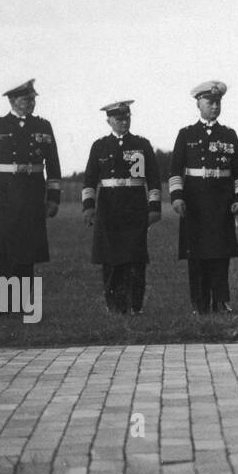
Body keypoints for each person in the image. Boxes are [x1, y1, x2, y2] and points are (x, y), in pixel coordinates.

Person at [0, 79, 62, 281]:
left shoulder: (43, 126)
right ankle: (3, 306)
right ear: (12, 100)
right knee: (1, 253)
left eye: (33, 99)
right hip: (1, 198)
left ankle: (21, 305)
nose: (31, 103)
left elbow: (53, 166)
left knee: (27, 252)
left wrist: (54, 198)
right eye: (26, 99)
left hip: (31, 197)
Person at [170, 81, 238, 314]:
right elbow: (175, 171)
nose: (215, 106)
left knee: (220, 255)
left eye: (218, 102)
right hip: (194, 203)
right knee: (196, 256)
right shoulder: (186, 135)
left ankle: (221, 301)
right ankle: (199, 303)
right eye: (210, 102)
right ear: (199, 104)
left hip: (221, 203)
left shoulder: (229, 135)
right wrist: (177, 197)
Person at [81, 101, 161, 314]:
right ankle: (115, 306)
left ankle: (136, 305)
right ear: (109, 121)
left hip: (135, 206)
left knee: (135, 259)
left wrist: (154, 206)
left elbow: (154, 178)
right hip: (108, 208)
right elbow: (89, 180)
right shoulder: (99, 146)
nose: (124, 122)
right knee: (111, 260)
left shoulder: (142, 145)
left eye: (127, 118)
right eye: (119, 119)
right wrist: (89, 206)